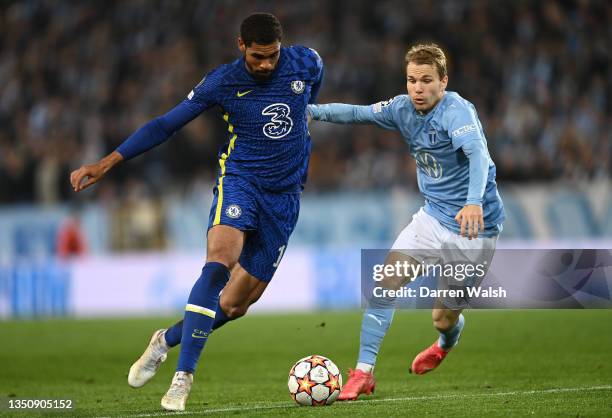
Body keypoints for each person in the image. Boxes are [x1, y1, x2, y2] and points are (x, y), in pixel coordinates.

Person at [70, 13, 323, 411]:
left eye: (272, 56)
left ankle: (164, 341)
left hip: (285, 197)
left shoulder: (308, 62)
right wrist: (107, 163)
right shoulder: (222, 82)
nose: (266, 64)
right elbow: (164, 125)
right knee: (219, 263)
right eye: (258, 57)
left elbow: (308, 107)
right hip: (241, 182)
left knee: (237, 304)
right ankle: (182, 379)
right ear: (241, 46)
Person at [307, 43, 505, 400]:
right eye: (412, 80)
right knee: (385, 283)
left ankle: (446, 341)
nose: (417, 88)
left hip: (473, 227)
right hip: (431, 217)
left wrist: (473, 202)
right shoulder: (401, 108)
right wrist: (312, 111)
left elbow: (479, 156)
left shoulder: (456, 112)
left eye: (426, 80)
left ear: (443, 82)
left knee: (442, 318)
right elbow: (357, 114)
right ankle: (363, 372)